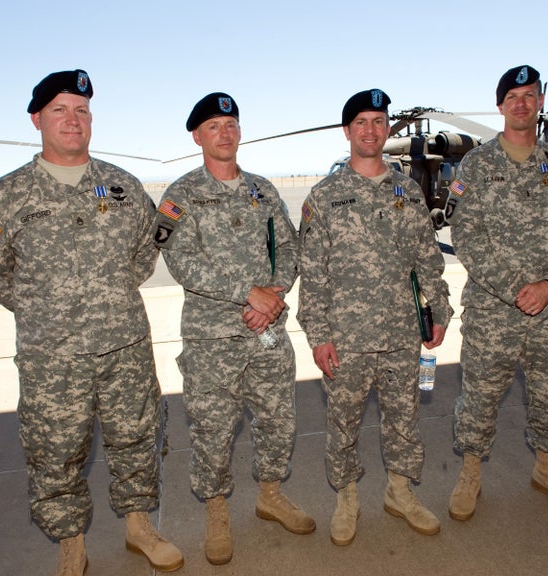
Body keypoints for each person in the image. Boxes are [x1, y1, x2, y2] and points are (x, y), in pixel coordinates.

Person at [0, 69, 183, 575]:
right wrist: (45, 313)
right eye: (61, 110)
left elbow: (142, 256)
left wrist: (104, 300)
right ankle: (71, 541)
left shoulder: (124, 187)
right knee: (55, 449)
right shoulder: (7, 194)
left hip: (123, 344)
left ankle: (138, 526)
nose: (73, 120)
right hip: (52, 356)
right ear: (37, 119)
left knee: (135, 437)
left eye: (82, 110)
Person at [153, 92, 315, 565]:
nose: (224, 133)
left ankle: (270, 494)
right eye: (213, 127)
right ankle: (217, 510)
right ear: (197, 136)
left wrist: (275, 293)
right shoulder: (179, 195)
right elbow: (180, 262)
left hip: (267, 332)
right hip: (212, 340)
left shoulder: (263, 189)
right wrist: (249, 291)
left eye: (231, 124)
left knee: (278, 420)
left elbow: (288, 247)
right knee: (212, 430)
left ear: (239, 132)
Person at [297, 89, 453, 546]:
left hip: (403, 331)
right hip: (346, 339)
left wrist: (438, 310)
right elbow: (312, 272)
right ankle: (347, 497)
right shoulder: (324, 197)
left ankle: (400, 491)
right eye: (361, 122)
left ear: (388, 129)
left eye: (379, 122)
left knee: (404, 417)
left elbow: (428, 259)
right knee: (343, 423)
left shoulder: (407, 190)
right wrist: (319, 335)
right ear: (348, 131)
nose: (370, 130)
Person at [446, 65, 548, 521]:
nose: (521, 103)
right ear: (500, 106)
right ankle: (470, 473)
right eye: (513, 96)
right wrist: (516, 290)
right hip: (493, 311)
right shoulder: (476, 165)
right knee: (480, 396)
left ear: (540, 101)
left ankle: (547, 469)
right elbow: (466, 235)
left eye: (529, 95)